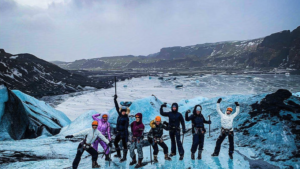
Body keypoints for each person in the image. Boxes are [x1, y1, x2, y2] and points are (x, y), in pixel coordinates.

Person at [113, 94, 130, 162]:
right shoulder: (120, 115)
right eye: (122, 111)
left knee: (124, 144)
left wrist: (126, 136)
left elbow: (126, 127)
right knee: (115, 142)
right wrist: (115, 100)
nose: (123, 112)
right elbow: (117, 107)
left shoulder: (126, 118)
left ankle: (124, 157)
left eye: (124, 111)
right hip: (119, 132)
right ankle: (119, 154)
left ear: (125, 112)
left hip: (123, 133)